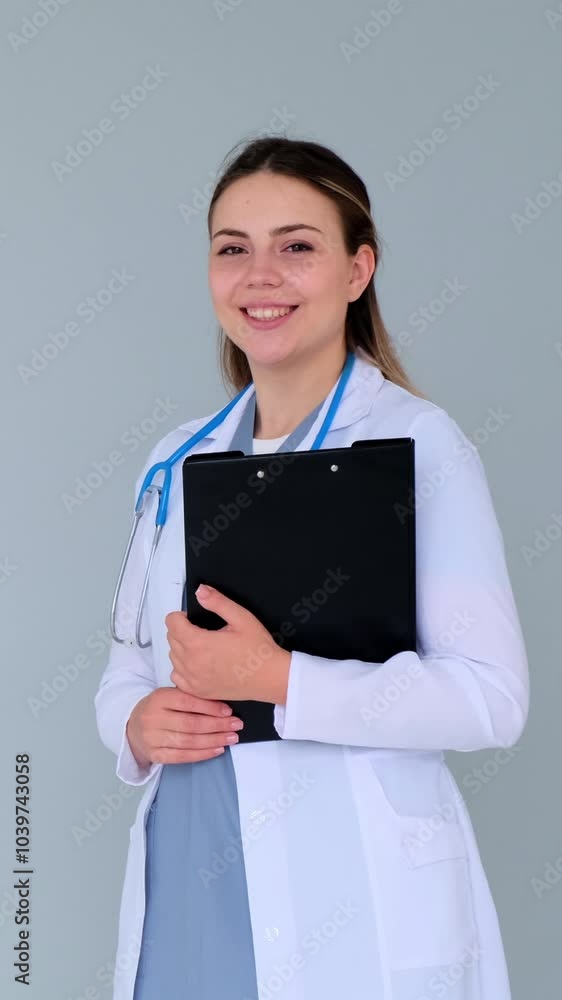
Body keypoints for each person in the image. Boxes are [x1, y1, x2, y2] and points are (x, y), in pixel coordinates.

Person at [94, 135, 529, 1000]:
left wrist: (281, 678)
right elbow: (125, 671)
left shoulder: (418, 446)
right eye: (232, 250)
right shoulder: (177, 459)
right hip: (191, 868)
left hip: (351, 891)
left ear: (358, 270)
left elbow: (493, 699)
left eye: (297, 246)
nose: (260, 276)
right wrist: (137, 727)